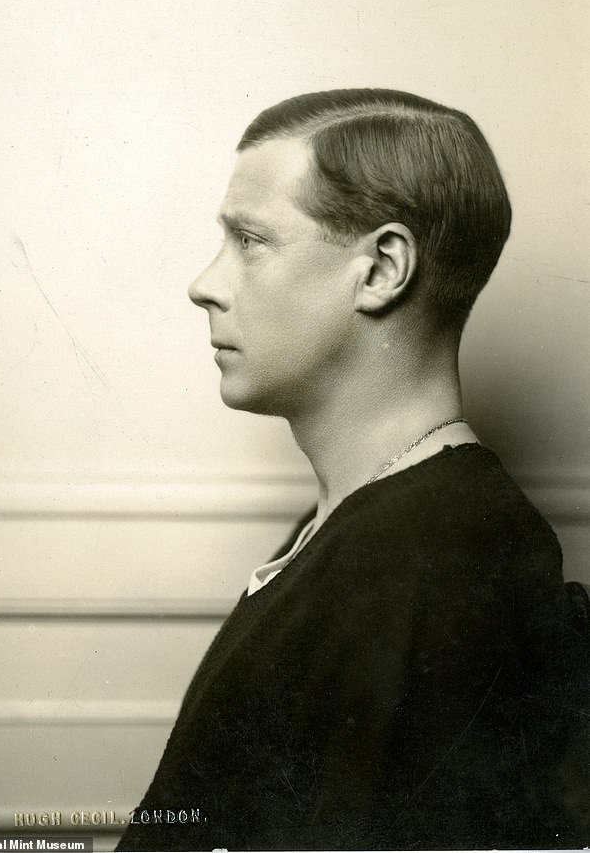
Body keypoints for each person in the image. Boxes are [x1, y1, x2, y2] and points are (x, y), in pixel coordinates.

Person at [117, 89, 588, 851]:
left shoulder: (432, 553)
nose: (205, 283)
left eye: (250, 240)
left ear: (381, 269)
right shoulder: (366, 519)